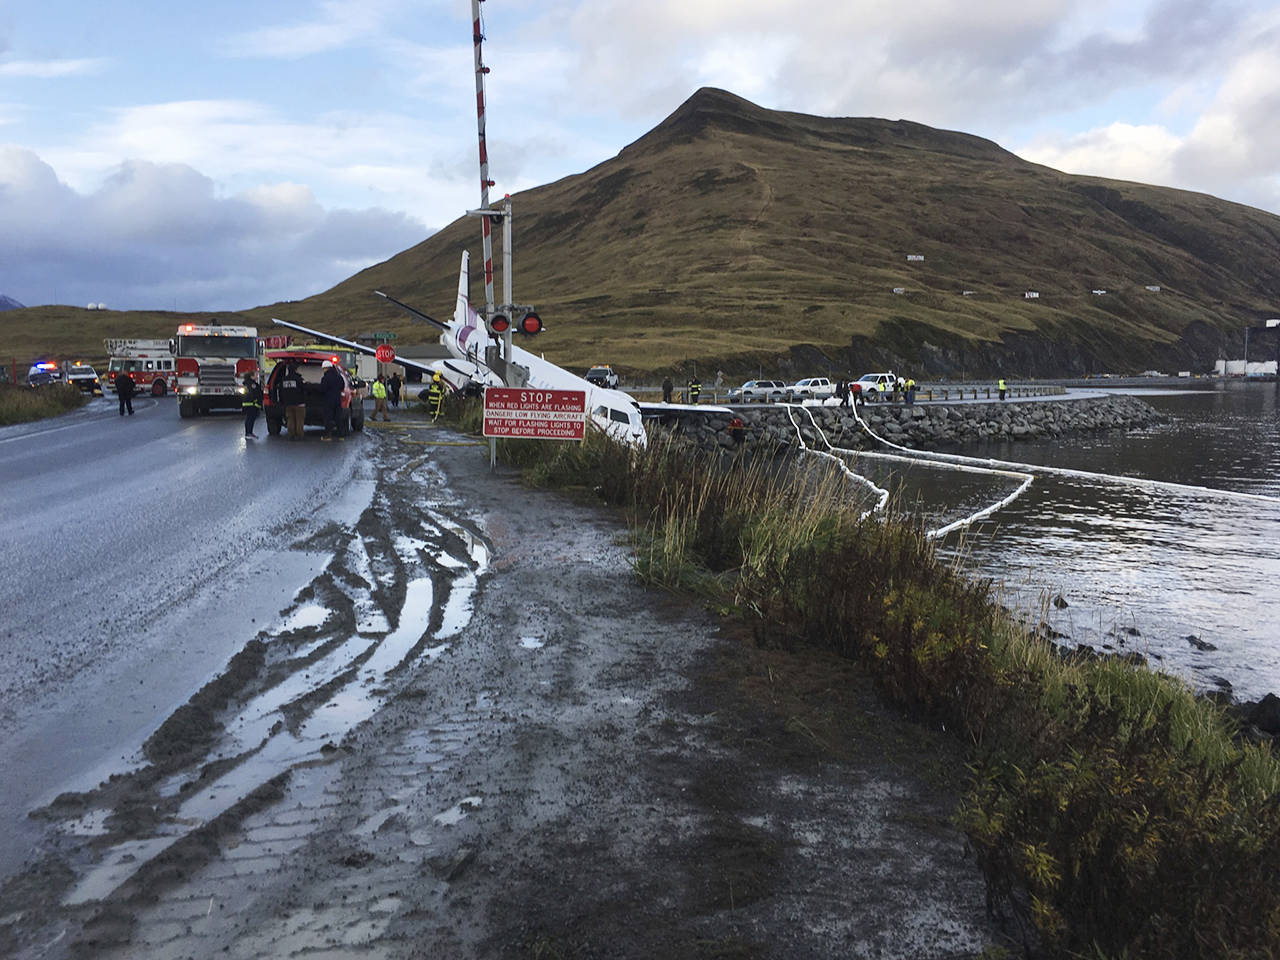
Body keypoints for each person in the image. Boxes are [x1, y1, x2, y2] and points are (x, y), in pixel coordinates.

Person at [276, 361, 306, 440]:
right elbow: (304, 389)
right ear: (295, 370)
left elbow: (280, 391)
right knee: (299, 420)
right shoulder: (298, 379)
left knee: (290, 420)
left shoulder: (283, 380)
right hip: (299, 403)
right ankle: (299, 435)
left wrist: (282, 402)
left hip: (288, 404)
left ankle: (291, 435)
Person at [320, 360, 344, 441]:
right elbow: (342, 387)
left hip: (328, 401)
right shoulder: (339, 377)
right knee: (338, 418)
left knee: (328, 418)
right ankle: (340, 436)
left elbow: (322, 389)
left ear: (326, 368)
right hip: (337, 400)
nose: (323, 370)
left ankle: (328, 436)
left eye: (323, 369)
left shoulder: (325, 378)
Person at [242, 371, 263, 438]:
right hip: (252, 404)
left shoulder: (247, 383)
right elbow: (253, 394)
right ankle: (249, 433)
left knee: (249, 418)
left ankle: (248, 432)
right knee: (251, 418)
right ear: (251, 376)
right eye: (256, 375)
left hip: (248, 403)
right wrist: (256, 401)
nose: (257, 376)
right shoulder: (252, 384)